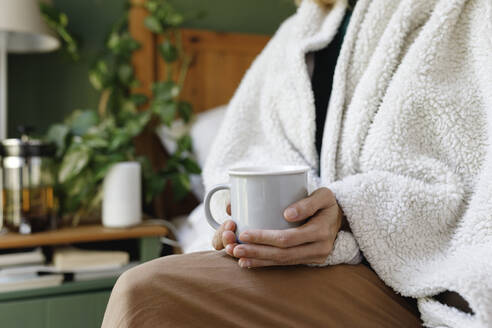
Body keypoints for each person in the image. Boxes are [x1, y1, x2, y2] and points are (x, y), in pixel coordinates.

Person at [102, 0, 492, 327]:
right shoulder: (295, 36)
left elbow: (465, 174)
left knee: (145, 293)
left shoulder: (458, 14)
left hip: (410, 280)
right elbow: (243, 152)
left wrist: (348, 212)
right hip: (283, 261)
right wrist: (235, 217)